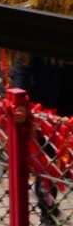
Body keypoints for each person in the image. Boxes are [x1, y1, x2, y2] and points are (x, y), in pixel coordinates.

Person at [11, 54, 73, 223]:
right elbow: (21, 67)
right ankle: (48, 211)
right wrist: (22, 102)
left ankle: (47, 204)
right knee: (47, 162)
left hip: (65, 105)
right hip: (43, 109)